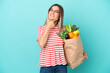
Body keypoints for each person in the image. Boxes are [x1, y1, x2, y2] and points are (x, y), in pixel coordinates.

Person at [37, 4, 88, 73]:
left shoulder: (64, 29)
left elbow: (74, 43)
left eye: (56, 11)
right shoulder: (42, 29)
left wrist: (82, 52)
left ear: (59, 15)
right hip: (46, 66)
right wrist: (48, 27)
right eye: (51, 10)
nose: (52, 12)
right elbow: (42, 44)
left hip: (61, 66)